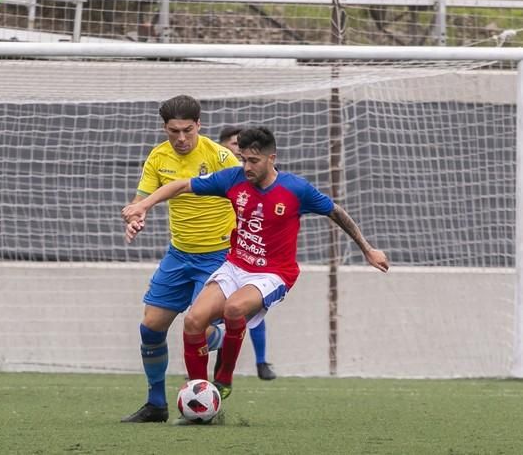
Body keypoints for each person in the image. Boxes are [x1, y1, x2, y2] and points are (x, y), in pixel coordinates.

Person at [123, 126, 389, 400]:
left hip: (273, 274)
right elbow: (182, 185)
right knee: (193, 321)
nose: (246, 166)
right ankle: (199, 395)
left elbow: (335, 211)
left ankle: (224, 377)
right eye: (243, 159)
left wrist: (367, 249)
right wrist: (145, 205)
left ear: (271, 158)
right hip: (235, 265)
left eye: (253, 161)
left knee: (234, 308)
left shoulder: (296, 189)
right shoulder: (232, 179)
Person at [120, 95, 241, 423]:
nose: (182, 138)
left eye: (188, 130)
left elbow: (250, 192)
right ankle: (156, 403)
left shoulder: (220, 156)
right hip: (179, 254)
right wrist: (135, 218)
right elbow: (141, 199)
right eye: (174, 131)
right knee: (151, 327)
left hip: (218, 256)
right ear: (165, 128)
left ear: (199, 125)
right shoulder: (158, 157)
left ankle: (227, 339)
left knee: (197, 326)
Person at [218, 125, 276, 381]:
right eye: (233, 145)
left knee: (247, 306)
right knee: (204, 315)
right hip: (216, 249)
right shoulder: (224, 177)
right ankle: (203, 372)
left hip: (245, 254)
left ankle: (260, 362)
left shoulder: (260, 179)